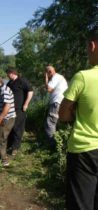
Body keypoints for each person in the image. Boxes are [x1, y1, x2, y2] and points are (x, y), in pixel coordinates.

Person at [59, 25, 98, 210]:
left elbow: (63, 114)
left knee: (80, 204)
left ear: (92, 46)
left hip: (85, 151)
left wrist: (74, 113)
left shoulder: (83, 77)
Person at [6, 69, 33, 155]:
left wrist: (26, 104)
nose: (7, 75)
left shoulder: (22, 81)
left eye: (8, 73)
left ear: (13, 73)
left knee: (18, 128)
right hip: (10, 109)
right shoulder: (9, 83)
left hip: (20, 109)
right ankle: (9, 145)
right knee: (10, 127)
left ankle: (15, 148)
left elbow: (30, 91)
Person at [44, 65, 68, 147]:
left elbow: (49, 89)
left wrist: (46, 80)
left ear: (49, 72)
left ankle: (52, 145)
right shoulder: (60, 78)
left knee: (50, 123)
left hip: (56, 102)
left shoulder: (55, 77)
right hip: (63, 102)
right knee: (58, 122)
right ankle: (60, 143)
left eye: (47, 73)